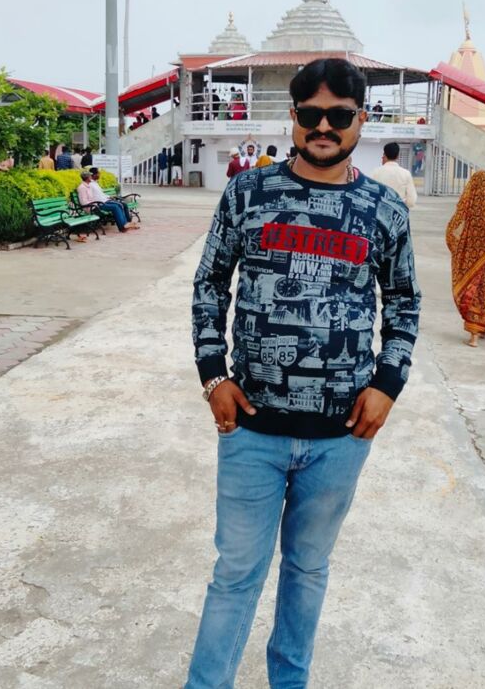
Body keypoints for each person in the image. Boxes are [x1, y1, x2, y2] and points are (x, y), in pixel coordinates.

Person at [186, 57, 420, 688]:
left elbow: (404, 301)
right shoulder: (248, 194)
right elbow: (210, 283)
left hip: (340, 437)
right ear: (292, 117)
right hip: (252, 429)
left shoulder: (382, 209)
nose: (324, 126)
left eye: (339, 116)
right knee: (236, 574)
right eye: (311, 114)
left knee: (307, 570)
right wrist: (212, 373)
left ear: (360, 121)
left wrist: (388, 384)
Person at [445, 171, 485, 347]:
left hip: (468, 260)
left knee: (470, 293)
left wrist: (460, 249)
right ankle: (479, 330)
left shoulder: (465, 208)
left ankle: (474, 335)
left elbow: (451, 231)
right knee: (484, 292)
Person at [370, 142, 418, 208]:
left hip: (380, 209)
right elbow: (412, 200)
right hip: (399, 210)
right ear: (398, 156)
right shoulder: (406, 174)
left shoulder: (375, 172)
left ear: (384, 155)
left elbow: (370, 194)